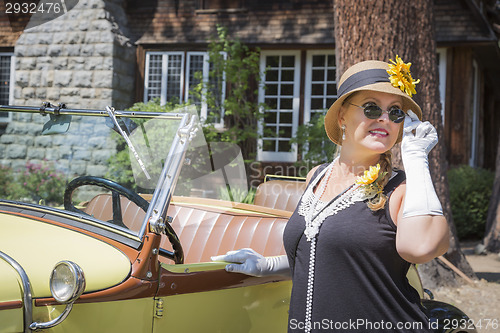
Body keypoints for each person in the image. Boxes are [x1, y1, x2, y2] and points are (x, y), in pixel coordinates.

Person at [212, 57, 450, 332]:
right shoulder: (316, 176)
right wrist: (269, 265)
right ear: (342, 117)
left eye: (395, 112)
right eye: (372, 108)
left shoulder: (402, 189)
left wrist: (417, 157)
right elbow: (331, 259)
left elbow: (421, 248)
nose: (385, 118)